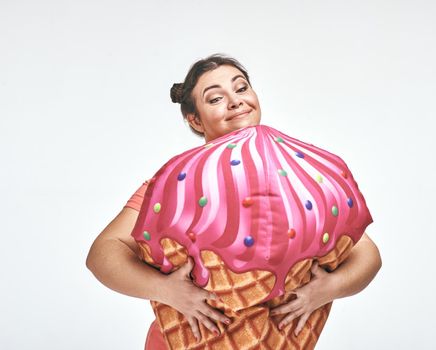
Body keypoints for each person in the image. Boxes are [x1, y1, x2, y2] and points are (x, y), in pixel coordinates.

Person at [86, 54, 382, 349]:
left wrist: (329, 288)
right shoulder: (175, 185)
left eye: (241, 89)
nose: (236, 101)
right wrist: (166, 291)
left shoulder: (298, 177)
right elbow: (103, 253)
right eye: (215, 99)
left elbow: (366, 254)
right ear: (195, 120)